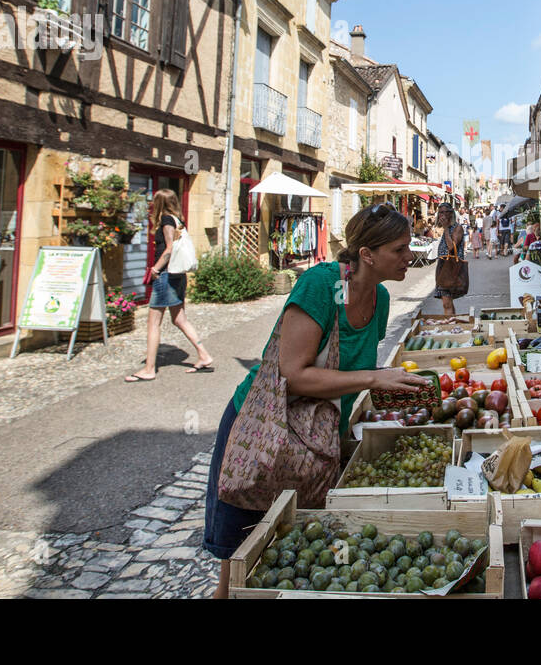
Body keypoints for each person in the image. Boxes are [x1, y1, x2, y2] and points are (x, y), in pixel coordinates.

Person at [203, 204, 427, 595]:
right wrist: (375, 378)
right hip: (266, 428)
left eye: (409, 247)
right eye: (400, 249)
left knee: (293, 549)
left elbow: (347, 376)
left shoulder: (381, 300)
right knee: (239, 557)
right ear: (367, 254)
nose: (410, 256)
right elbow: (293, 373)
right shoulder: (321, 285)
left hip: (317, 438)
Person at [125, 190, 213, 382]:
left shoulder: (166, 220)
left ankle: (149, 369)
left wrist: (155, 270)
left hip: (165, 275)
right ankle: (204, 355)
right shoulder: (177, 220)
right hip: (177, 275)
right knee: (179, 319)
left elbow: (169, 248)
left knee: (153, 323)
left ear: (159, 203)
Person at [432, 203, 466, 316]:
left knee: (446, 303)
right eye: (440, 212)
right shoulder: (448, 228)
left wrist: (446, 228)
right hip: (443, 266)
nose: (441, 215)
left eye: (444, 212)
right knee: (447, 302)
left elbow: (452, 247)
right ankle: (452, 324)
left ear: (450, 213)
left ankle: (449, 327)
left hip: (451, 267)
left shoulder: (457, 228)